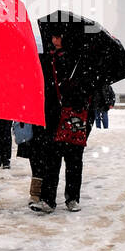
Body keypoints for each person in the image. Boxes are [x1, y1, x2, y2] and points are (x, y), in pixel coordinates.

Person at [30, 30, 91, 213]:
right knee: (52, 159)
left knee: (73, 160)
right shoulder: (48, 59)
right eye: (53, 36)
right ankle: (49, 199)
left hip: (73, 115)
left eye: (58, 37)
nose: (54, 40)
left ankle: (72, 198)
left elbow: (88, 90)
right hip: (54, 115)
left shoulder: (80, 61)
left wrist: (73, 90)